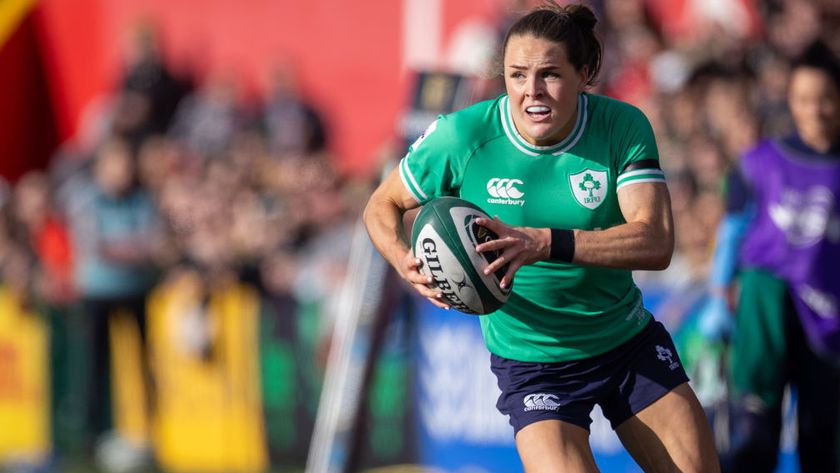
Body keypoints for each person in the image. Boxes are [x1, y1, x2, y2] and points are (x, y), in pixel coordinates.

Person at [363, 3, 719, 472]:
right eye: (516, 75)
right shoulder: (462, 137)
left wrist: (544, 242)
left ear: (585, 72)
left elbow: (654, 243)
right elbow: (380, 205)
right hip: (533, 365)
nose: (531, 92)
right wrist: (403, 259)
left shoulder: (621, 127)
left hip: (625, 342)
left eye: (549, 74)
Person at [700, 40, 840, 472]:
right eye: (803, 99)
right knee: (752, 438)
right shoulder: (760, 162)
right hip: (764, 312)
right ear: (791, 102)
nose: (814, 110)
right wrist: (720, 293)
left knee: (822, 443)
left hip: (829, 325)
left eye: (825, 100)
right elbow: (734, 229)